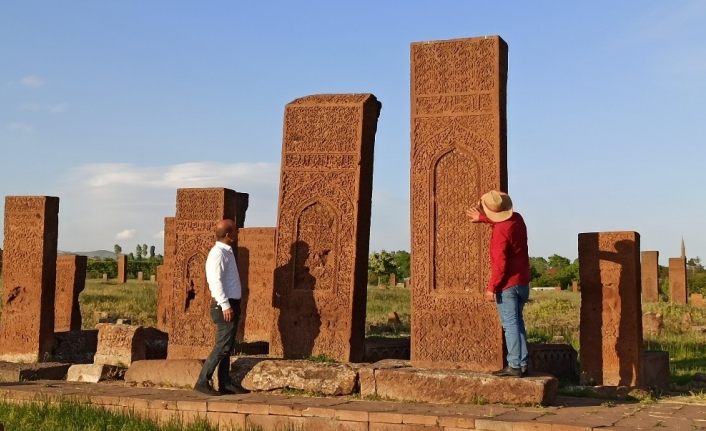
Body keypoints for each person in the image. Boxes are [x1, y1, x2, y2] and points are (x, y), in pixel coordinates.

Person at [466, 190, 530, 378]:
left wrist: (491, 287)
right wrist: (484, 217)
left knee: (510, 325)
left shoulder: (499, 234)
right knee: (518, 323)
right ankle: (523, 363)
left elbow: (500, 265)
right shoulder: (517, 219)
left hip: (507, 285)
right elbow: (503, 221)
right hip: (522, 282)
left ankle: (514, 365)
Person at [194, 218, 242, 395]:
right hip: (224, 305)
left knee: (227, 347)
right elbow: (215, 281)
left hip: (231, 303)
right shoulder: (218, 253)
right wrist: (225, 305)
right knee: (222, 346)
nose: (237, 233)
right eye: (235, 231)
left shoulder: (227, 252)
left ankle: (225, 383)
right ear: (229, 235)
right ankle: (202, 381)